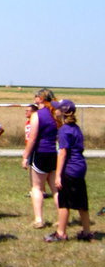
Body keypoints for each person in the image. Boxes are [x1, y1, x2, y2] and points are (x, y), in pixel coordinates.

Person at [45, 100, 93, 242]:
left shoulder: (64, 130)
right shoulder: (75, 128)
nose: (54, 111)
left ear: (62, 112)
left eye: (57, 109)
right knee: (81, 203)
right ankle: (87, 232)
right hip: (80, 167)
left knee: (64, 202)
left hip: (70, 169)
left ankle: (61, 233)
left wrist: (58, 175)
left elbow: (63, 153)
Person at [22, 88, 58, 229]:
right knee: (55, 189)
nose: (34, 98)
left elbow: (32, 138)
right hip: (53, 153)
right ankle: (61, 217)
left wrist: (25, 156)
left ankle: (39, 219)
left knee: (36, 187)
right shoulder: (56, 114)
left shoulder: (37, 115)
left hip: (40, 152)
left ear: (41, 99)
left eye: (36, 96)